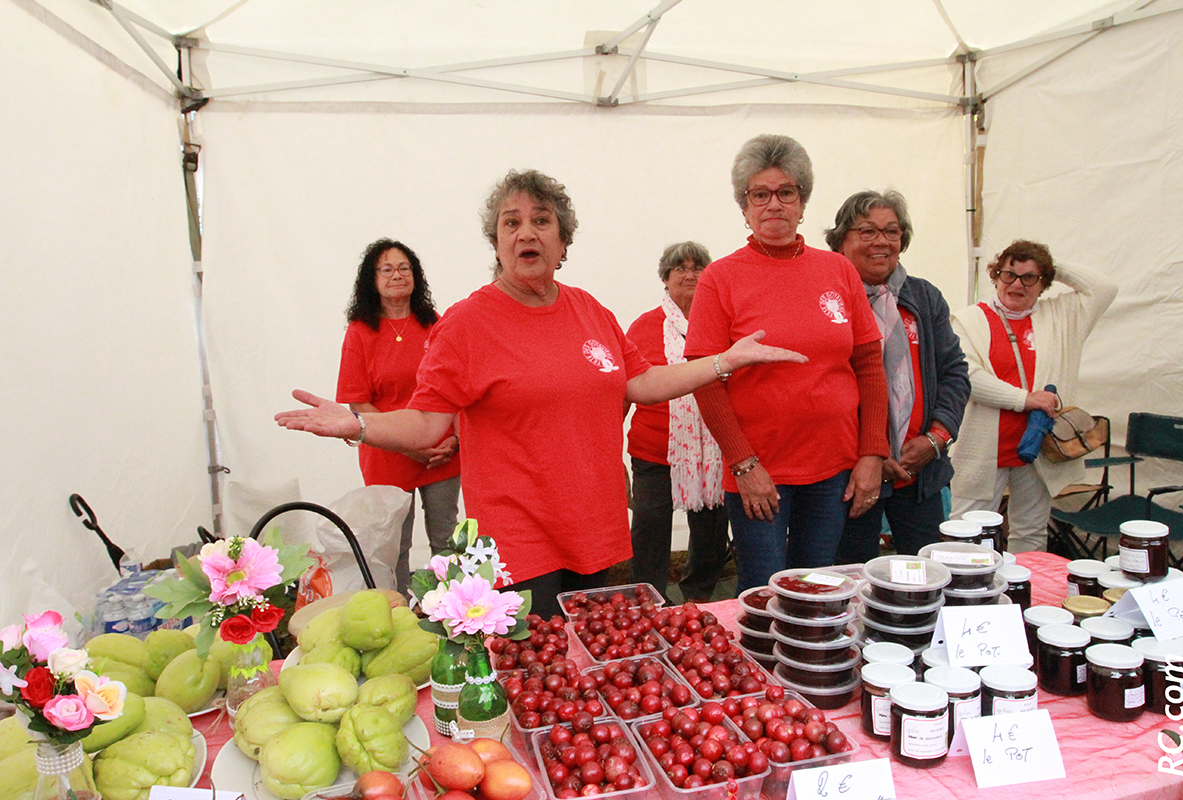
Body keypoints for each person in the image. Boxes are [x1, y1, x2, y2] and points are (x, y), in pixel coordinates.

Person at [277, 169, 807, 618]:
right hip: (518, 540)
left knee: (587, 667)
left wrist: (720, 362)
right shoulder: (466, 324)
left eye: (541, 221)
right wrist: (358, 424)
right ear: (497, 243)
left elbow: (643, 384)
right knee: (537, 670)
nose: (525, 232)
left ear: (562, 242)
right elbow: (427, 423)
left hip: (594, 526)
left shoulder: (590, 311)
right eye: (512, 222)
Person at [684, 134, 889, 594]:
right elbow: (705, 380)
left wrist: (871, 453)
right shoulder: (720, 278)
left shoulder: (838, 270)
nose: (773, 204)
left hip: (834, 469)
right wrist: (742, 463)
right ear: (744, 206)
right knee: (765, 593)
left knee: (818, 590)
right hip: (760, 473)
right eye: (760, 194)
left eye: (786, 192)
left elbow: (870, 367)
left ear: (802, 201)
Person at [824, 190, 969, 562]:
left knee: (926, 577)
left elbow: (955, 373)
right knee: (851, 578)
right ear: (841, 240)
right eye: (867, 231)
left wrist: (936, 438)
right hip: (847, 475)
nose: (882, 242)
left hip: (918, 469)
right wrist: (871, 452)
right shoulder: (826, 300)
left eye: (892, 231)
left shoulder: (923, 297)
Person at [950, 240, 1118, 553]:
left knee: (1030, 535)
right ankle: (971, 599)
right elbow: (968, 378)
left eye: (1030, 277)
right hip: (984, 449)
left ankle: (1024, 598)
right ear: (996, 276)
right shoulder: (968, 320)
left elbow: (1104, 287)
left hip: (1039, 448)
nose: (1017, 284)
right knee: (968, 536)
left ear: (1043, 284)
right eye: (1009, 274)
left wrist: (1050, 263)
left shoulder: (1063, 315)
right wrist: (1027, 399)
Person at [336, 239, 461, 593]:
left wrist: (453, 439)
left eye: (404, 268)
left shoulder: (434, 325)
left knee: (446, 540)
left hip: (442, 454)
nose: (397, 275)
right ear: (371, 279)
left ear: (416, 276)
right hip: (388, 455)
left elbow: (454, 387)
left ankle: (452, 617)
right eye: (387, 269)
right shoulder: (360, 332)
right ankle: (402, 618)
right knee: (395, 547)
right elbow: (359, 404)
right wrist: (410, 447)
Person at [626, 242, 730, 602]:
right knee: (649, 531)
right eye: (679, 269)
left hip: (715, 453)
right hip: (653, 453)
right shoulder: (644, 326)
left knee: (712, 535)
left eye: (697, 268)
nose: (689, 275)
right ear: (665, 279)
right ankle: (649, 601)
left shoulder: (724, 321)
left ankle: (698, 598)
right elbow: (623, 388)